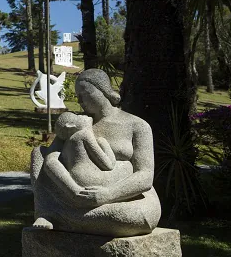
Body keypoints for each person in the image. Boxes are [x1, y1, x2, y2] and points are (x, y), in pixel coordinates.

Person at [30, 69, 161, 237]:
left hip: (127, 200)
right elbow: (49, 158)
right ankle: (46, 212)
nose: (80, 101)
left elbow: (145, 175)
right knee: (38, 154)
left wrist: (107, 195)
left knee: (129, 217)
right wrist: (73, 191)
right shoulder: (76, 122)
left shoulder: (137, 126)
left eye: (84, 93)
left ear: (102, 90)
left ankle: (63, 218)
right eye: (77, 96)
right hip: (72, 196)